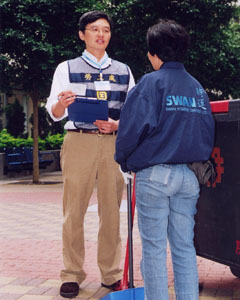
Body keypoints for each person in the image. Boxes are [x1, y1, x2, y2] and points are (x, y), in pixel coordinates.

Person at [115, 19, 214, 300]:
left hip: (154, 176)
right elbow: (207, 134)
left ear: (153, 54)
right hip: (189, 178)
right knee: (184, 247)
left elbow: (130, 130)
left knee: (154, 250)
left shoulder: (150, 84)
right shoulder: (197, 89)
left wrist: (125, 161)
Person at [46, 10, 134, 299]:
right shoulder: (66, 68)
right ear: (82, 34)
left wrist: (117, 125)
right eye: (94, 29)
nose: (101, 34)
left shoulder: (124, 70)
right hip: (78, 141)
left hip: (112, 144)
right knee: (73, 211)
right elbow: (55, 113)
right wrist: (61, 105)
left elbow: (133, 114)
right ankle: (72, 273)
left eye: (105, 30)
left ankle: (111, 275)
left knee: (111, 212)